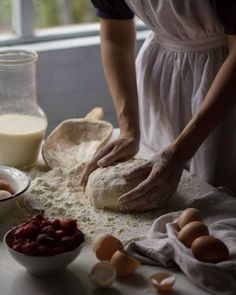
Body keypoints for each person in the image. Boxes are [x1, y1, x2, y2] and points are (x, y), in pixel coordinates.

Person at [80, 0, 236, 212]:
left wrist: (180, 151)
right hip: (162, 74)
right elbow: (115, 33)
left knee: (219, 204)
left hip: (223, 85)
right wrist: (128, 130)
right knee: (161, 187)